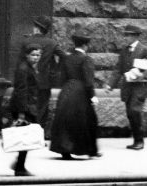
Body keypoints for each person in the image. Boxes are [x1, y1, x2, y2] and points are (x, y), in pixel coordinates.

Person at [49, 30, 101, 159]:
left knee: (65, 120)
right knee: (89, 120)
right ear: (85, 46)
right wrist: (92, 96)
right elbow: (89, 81)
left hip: (66, 90)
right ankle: (91, 150)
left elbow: (61, 77)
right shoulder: (86, 59)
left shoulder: (67, 57)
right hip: (80, 92)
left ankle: (65, 149)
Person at [110, 24, 147, 150]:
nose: (126, 37)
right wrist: (110, 84)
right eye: (125, 35)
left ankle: (140, 140)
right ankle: (136, 140)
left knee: (135, 111)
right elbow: (118, 69)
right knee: (130, 113)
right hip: (128, 87)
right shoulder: (124, 50)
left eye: (128, 35)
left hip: (140, 88)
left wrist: (143, 75)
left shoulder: (144, 49)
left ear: (135, 36)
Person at [18, 15, 64, 135]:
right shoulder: (52, 43)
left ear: (37, 28)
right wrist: (54, 70)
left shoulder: (26, 41)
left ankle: (29, 134)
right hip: (44, 81)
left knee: (29, 107)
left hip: (28, 80)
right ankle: (39, 134)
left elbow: (20, 62)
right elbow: (64, 57)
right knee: (42, 109)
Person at [9, 42, 42, 175]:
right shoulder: (24, 69)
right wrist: (22, 113)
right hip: (24, 107)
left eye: (38, 55)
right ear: (26, 55)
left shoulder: (29, 67)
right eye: (33, 55)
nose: (36, 57)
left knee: (26, 138)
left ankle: (19, 164)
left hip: (28, 106)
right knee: (25, 138)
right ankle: (19, 167)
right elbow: (21, 91)